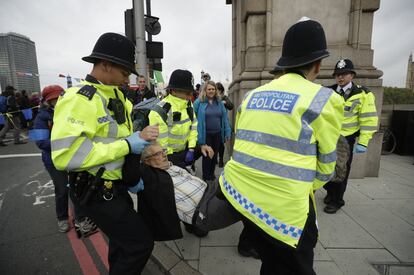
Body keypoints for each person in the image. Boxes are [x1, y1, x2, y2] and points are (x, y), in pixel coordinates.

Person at [218, 18, 344, 274]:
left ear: (284, 64)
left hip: (245, 200)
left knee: (270, 262)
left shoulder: (252, 96)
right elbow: (328, 163)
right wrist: (306, 185)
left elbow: (242, 145)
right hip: (287, 212)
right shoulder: (323, 99)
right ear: (318, 65)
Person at [51, 32, 159, 274]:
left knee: (121, 245)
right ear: (105, 64)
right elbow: (66, 155)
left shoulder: (118, 95)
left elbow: (125, 134)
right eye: (123, 72)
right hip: (96, 190)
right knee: (139, 243)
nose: (126, 78)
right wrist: (127, 146)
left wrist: (140, 151)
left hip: (116, 186)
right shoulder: (79, 99)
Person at [122, 142, 240, 238]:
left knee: (237, 182)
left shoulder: (170, 161)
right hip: (204, 209)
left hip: (210, 188)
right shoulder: (149, 176)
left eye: (163, 151)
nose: (164, 155)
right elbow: (130, 174)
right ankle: (245, 246)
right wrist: (134, 144)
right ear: (147, 161)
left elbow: (187, 155)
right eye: (158, 154)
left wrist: (201, 147)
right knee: (245, 209)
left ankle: (192, 227)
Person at [31, 85, 97, 236]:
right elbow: (40, 142)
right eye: (53, 98)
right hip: (53, 160)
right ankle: (62, 217)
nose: (57, 100)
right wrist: (68, 143)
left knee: (77, 187)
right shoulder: (40, 117)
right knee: (62, 189)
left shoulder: (70, 110)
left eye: (59, 96)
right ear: (47, 101)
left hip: (74, 157)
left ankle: (80, 218)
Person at [323, 58, 378, 214]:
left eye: (344, 74)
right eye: (337, 74)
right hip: (328, 137)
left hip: (346, 140)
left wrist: (364, 142)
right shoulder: (327, 91)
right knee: (326, 168)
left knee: (341, 170)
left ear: (352, 75)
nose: (340, 77)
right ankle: (330, 192)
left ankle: (337, 201)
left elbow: (368, 119)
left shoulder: (363, 94)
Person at [148, 69, 213, 169]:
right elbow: (161, 145)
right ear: (173, 91)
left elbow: (193, 127)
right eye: (187, 93)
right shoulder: (160, 111)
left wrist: (192, 149)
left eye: (191, 93)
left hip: (185, 151)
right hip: (167, 156)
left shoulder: (188, 105)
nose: (190, 96)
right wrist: (178, 162)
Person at [194, 81, 231, 181]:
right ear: (205, 90)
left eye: (213, 89)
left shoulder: (219, 103)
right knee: (207, 157)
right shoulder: (199, 102)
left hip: (217, 134)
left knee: (214, 156)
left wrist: (227, 131)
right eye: (209, 89)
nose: (211, 91)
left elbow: (225, 118)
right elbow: (194, 118)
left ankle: (212, 175)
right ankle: (206, 178)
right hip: (206, 134)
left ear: (216, 91)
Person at [215, 82, 234, 167]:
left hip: (222, 124)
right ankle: (214, 158)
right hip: (213, 123)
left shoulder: (224, 98)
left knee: (221, 143)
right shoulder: (212, 98)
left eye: (219, 90)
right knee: (214, 143)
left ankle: (221, 160)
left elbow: (231, 106)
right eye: (217, 90)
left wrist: (225, 103)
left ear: (222, 91)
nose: (218, 92)